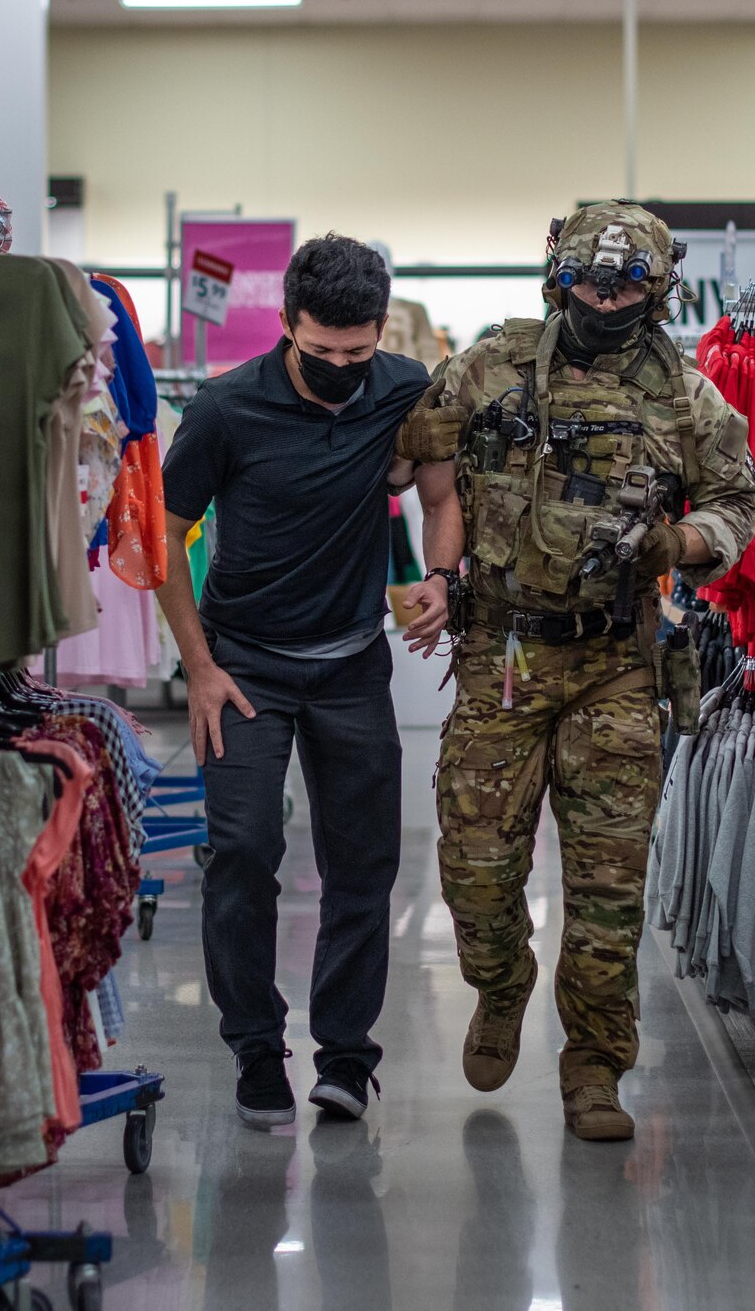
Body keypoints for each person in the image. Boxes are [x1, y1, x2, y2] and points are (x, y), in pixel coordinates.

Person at [393, 203, 755, 1142]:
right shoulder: (488, 364)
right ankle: (500, 982)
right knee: (474, 868)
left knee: (608, 888)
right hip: (501, 656)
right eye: (592, 280)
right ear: (558, 274)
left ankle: (595, 1065)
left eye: (626, 282)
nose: (606, 297)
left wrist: (681, 540)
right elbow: (404, 456)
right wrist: (429, 567)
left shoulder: (689, 394)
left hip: (615, 666)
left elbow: (739, 499)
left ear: (657, 287)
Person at [156, 233, 458, 1128]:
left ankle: (345, 1057)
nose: (338, 368)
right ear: (288, 323)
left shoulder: (406, 388)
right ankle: (256, 1048)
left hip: (351, 664)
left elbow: (438, 493)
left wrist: (441, 578)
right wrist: (198, 667)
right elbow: (163, 535)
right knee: (244, 854)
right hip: (241, 666)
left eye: (355, 354)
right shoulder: (224, 409)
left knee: (364, 865)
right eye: (320, 351)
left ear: (377, 335)